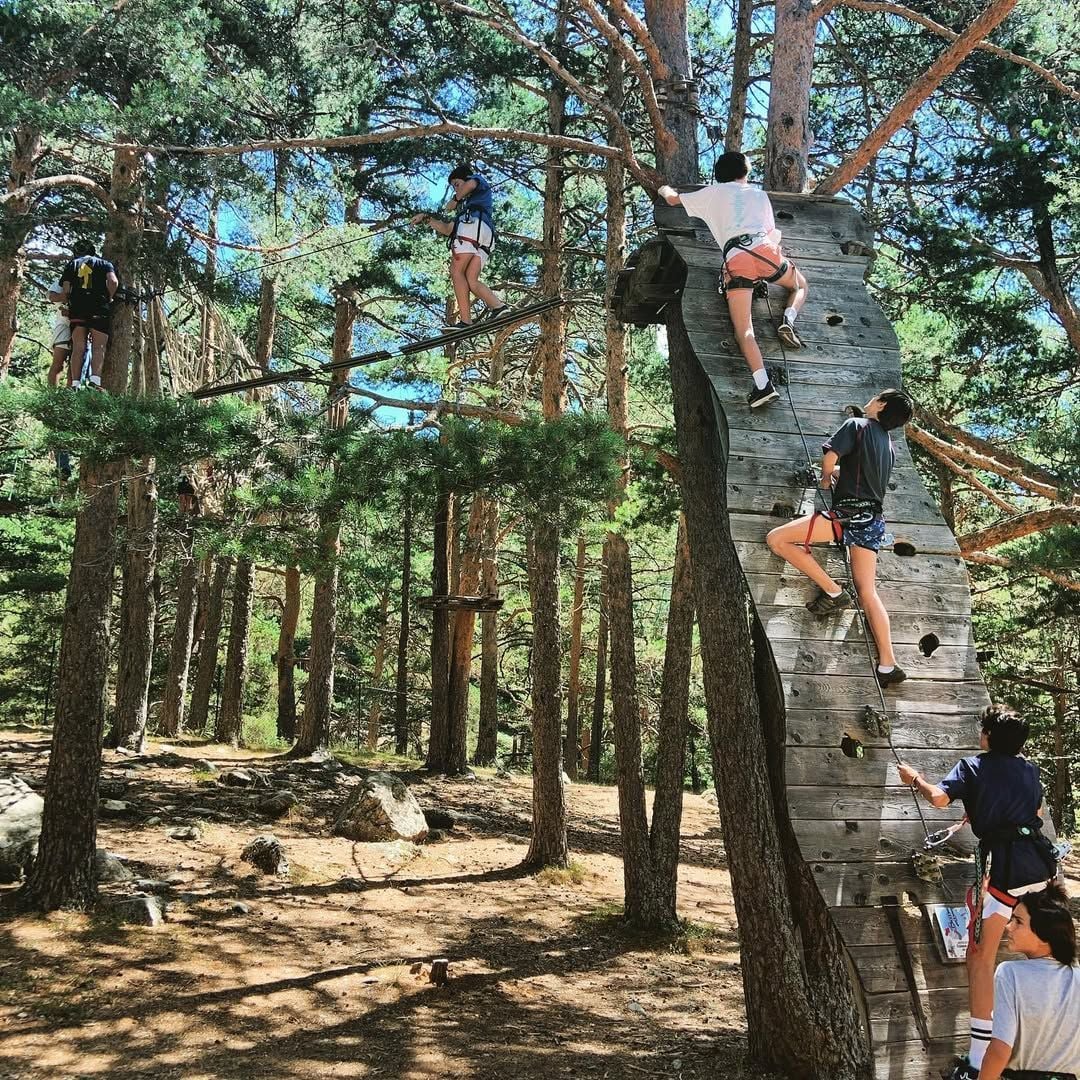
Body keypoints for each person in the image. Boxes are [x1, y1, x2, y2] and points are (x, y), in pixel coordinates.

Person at [898, 706, 1061, 1080]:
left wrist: (914, 779)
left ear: (987, 734)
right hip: (1038, 863)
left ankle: (978, 1056)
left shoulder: (973, 766)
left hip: (1003, 870)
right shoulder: (1029, 768)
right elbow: (1032, 808)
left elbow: (939, 799)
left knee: (980, 959)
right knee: (1048, 950)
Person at [765, 388, 913, 687]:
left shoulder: (856, 425)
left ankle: (834, 592)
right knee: (868, 591)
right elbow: (861, 472)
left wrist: (825, 475)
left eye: (875, 398)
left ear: (881, 405)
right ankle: (888, 664)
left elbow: (831, 459)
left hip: (847, 515)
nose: (869, 400)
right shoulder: (889, 446)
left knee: (777, 539)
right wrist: (839, 475)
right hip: (872, 522)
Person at [657, 151, 809, 408]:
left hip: (736, 259)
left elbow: (672, 200)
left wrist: (662, 187)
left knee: (744, 331)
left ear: (720, 175)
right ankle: (788, 319)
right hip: (764, 251)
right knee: (801, 286)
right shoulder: (759, 195)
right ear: (746, 172)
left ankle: (763, 385)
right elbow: (773, 235)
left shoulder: (712, 192)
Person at [978, 884, 1079, 1080]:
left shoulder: (1010, 973)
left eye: (1018, 922)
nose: (1008, 926)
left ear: (1044, 934)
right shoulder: (1077, 977)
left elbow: (1000, 1049)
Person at [410, 164, 509, 331]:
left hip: (473, 228)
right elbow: (448, 229)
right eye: (454, 187)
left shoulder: (475, 182)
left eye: (457, 184)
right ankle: (499, 307)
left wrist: (455, 200)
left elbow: (470, 184)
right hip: (484, 236)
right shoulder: (468, 208)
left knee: (456, 272)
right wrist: (426, 219)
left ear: (465, 178)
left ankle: (466, 322)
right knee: (471, 279)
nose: (456, 189)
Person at [59, 240, 118, 389]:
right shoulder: (105, 263)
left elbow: (66, 289)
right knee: (98, 346)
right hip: (99, 307)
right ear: (93, 250)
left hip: (78, 308)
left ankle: (75, 384)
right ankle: (95, 382)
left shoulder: (72, 264)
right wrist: (109, 297)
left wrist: (70, 300)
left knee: (78, 347)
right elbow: (113, 281)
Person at [46, 279, 72, 387]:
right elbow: (51, 296)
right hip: (64, 326)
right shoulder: (64, 280)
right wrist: (66, 297)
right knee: (58, 363)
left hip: (84, 327)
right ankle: (51, 397)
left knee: (76, 365)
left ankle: (71, 397)